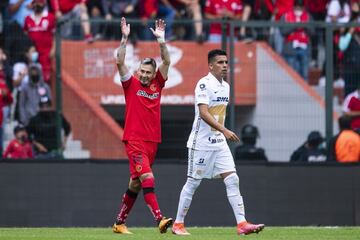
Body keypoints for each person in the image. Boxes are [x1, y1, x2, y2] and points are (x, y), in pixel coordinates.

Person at [172, 49, 265, 236]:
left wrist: (221, 133)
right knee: (192, 183)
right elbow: (204, 113)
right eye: (220, 62)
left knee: (232, 179)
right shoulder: (204, 84)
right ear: (211, 65)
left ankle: (242, 224)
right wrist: (224, 130)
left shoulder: (226, 87)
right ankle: (178, 225)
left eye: (226, 62)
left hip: (219, 143)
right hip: (201, 143)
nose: (224, 66)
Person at [111, 17, 173, 234]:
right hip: (134, 140)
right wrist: (124, 38)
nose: (145, 75)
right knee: (148, 177)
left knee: (136, 184)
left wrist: (161, 41)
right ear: (138, 72)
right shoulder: (131, 84)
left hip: (152, 141)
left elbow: (166, 61)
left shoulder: (158, 83)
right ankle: (160, 219)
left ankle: (119, 223)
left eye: (148, 72)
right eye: (142, 72)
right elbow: (119, 62)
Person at [24, 0, 56, 83]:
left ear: (44, 4)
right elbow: (25, 35)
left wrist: (53, 49)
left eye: (39, 2)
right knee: (33, 76)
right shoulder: (28, 19)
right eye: (35, 3)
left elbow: (55, 35)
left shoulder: (50, 17)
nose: (37, 5)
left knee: (47, 77)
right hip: (33, 53)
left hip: (46, 52)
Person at [281, 0, 313, 81]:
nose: (299, 9)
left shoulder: (308, 17)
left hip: (304, 47)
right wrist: (295, 26)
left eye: (301, 7)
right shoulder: (286, 16)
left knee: (304, 74)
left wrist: (304, 25)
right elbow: (283, 31)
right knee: (292, 74)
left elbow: (313, 32)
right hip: (291, 48)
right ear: (294, 7)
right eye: (297, 7)